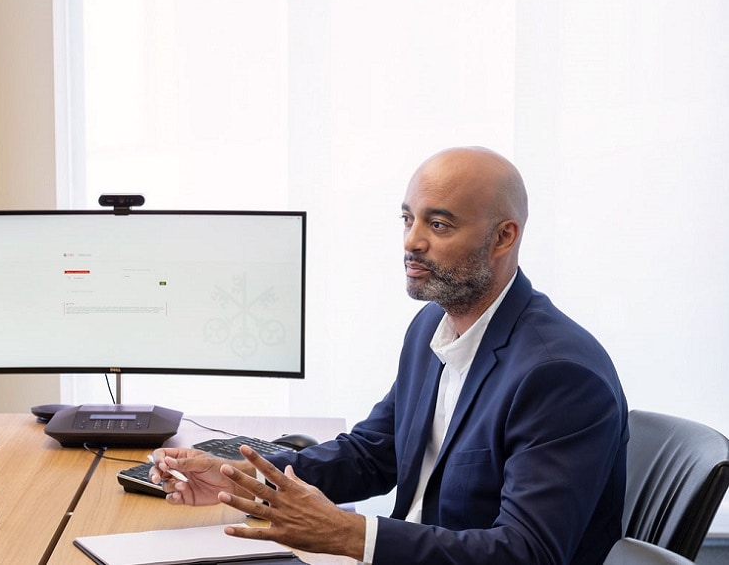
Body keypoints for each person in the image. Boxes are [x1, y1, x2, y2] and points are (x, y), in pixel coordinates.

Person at [152, 147, 628, 565]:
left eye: (438, 224)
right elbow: (374, 454)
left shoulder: (559, 375)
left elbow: (526, 553)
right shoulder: (432, 327)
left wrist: (350, 535)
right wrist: (243, 479)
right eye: (407, 219)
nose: (411, 241)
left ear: (503, 237)